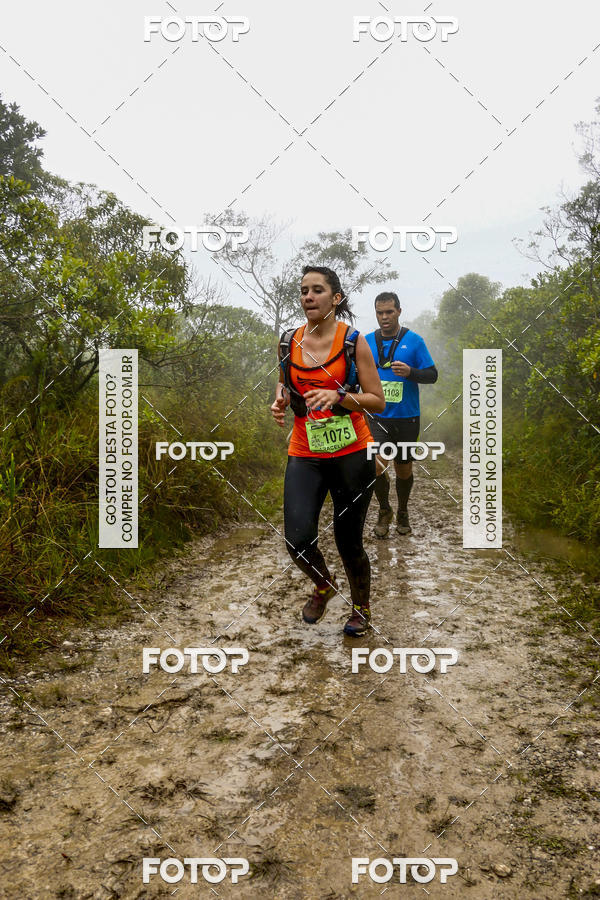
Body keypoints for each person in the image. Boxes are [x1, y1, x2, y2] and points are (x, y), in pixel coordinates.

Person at [271, 265, 385, 636]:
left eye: (317, 290)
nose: (308, 296)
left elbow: (376, 400)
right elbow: (286, 384)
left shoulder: (353, 342)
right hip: (306, 451)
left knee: (347, 539)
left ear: (335, 298)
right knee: (297, 538)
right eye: (304, 290)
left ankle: (361, 609)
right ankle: (323, 584)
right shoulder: (289, 341)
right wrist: (279, 401)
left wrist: (339, 396)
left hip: (352, 451)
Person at [365, 291, 438, 537]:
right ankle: (385, 510)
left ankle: (403, 511)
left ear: (398, 311)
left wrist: (411, 372)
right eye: (379, 312)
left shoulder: (414, 341)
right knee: (375, 465)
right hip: (377, 417)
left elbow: (432, 375)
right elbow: (354, 377)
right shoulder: (365, 342)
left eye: (389, 312)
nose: (384, 317)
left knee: (403, 468)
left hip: (407, 418)